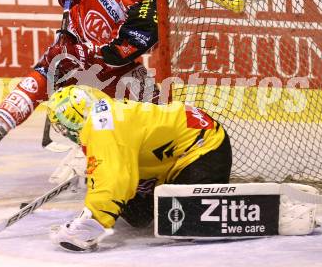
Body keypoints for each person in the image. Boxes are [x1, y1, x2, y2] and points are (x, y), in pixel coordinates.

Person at [0, 0, 173, 166]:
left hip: (111, 68)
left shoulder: (154, 9)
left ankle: (162, 155)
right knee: (43, 75)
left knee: (158, 104)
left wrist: (83, 52)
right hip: (72, 39)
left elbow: (117, 55)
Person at [46, 85, 232, 252]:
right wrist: (92, 170)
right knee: (138, 217)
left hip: (205, 145)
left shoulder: (102, 127)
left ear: (71, 119)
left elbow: (114, 179)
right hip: (174, 152)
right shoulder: (101, 117)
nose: (64, 132)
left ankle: (232, 207)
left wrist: (91, 223)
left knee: (185, 224)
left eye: (61, 126)